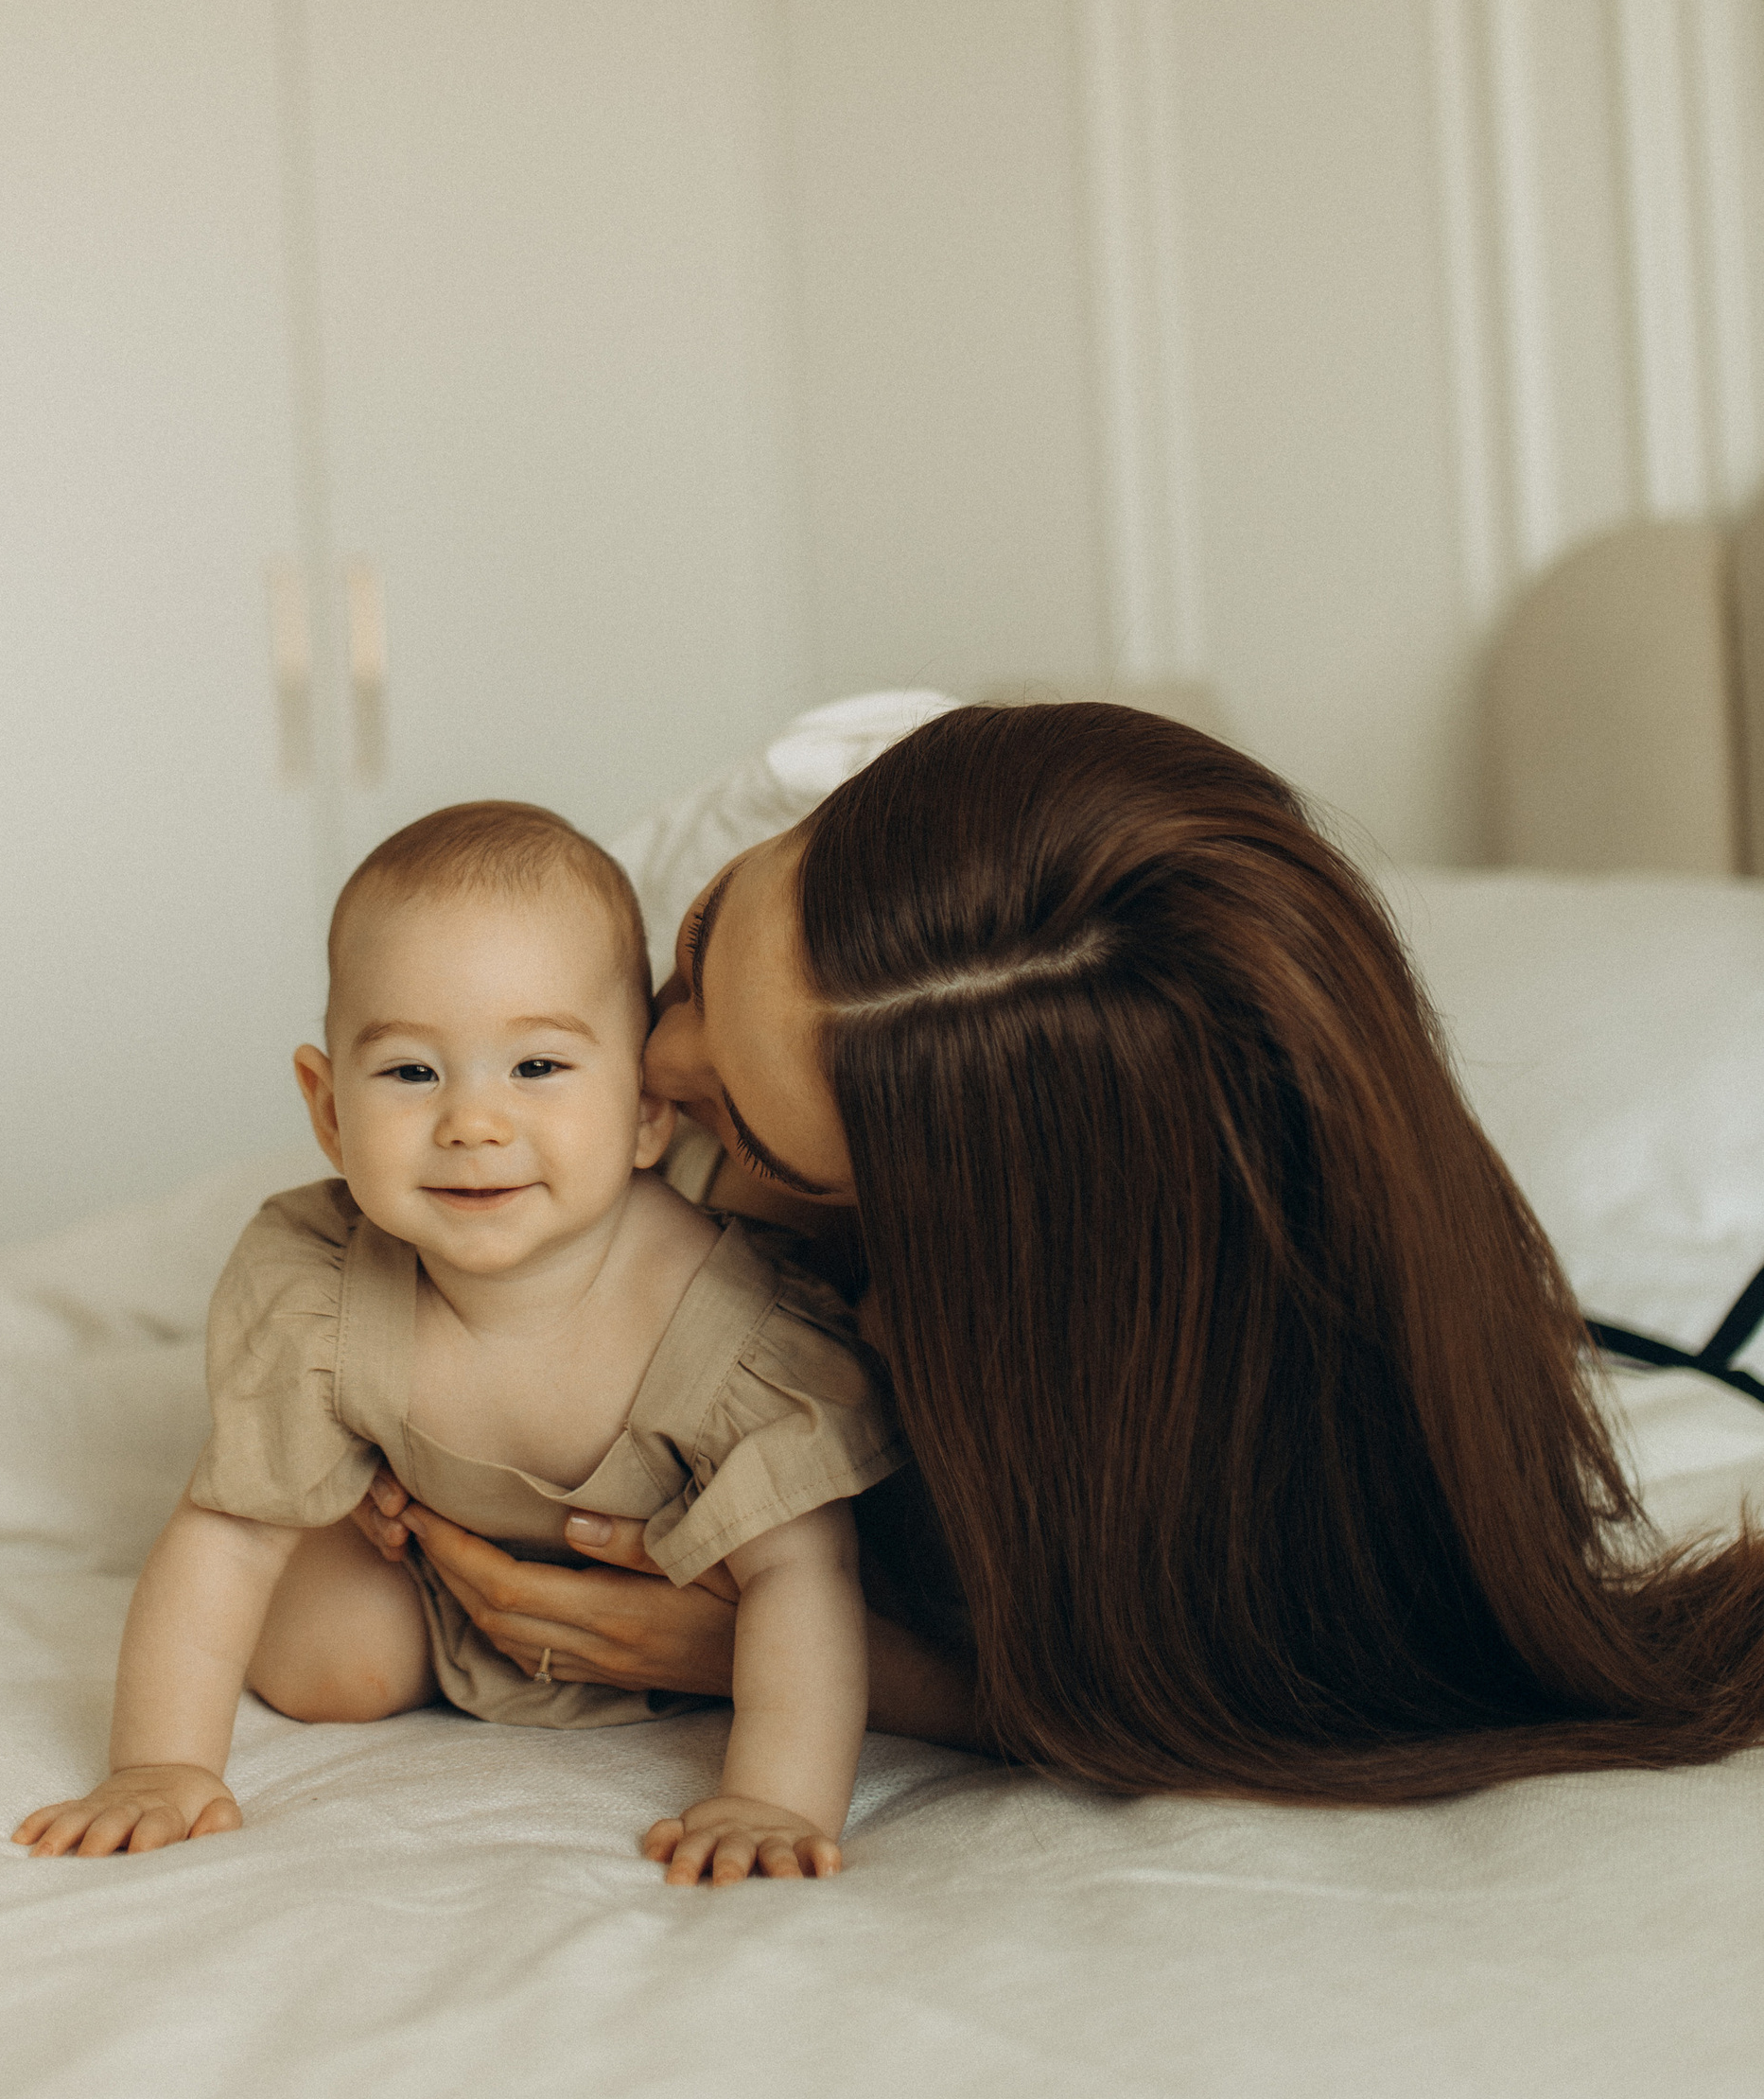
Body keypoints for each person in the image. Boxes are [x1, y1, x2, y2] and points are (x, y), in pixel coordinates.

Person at [368, 704, 1764, 1798]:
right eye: (697, 947)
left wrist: (781, 1654)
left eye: (741, 1123)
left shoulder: (1182, 1371)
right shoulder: (798, 867)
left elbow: (1229, 1691)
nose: (650, 1073)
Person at [10, 801, 899, 1884]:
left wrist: (768, 1797)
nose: (472, 1123)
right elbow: (229, 1535)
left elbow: (801, 1574)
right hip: (437, 1585)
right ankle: (331, 1502)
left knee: (798, 1590)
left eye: (537, 1069)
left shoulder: (736, 1326)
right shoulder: (317, 1282)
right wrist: (155, 1765)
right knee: (324, 1664)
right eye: (411, 1074)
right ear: (329, 1111)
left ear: (647, 1112)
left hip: (680, 1626)